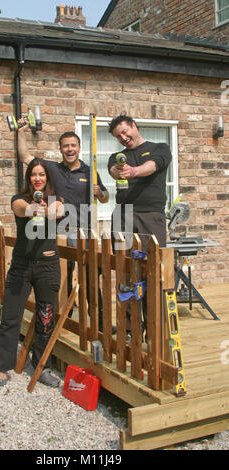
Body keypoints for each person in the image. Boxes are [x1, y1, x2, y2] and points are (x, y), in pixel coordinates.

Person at [0, 158, 64, 393]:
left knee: (46, 320)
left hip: (47, 267)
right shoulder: (19, 200)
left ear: (47, 178)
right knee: (10, 318)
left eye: (42, 175)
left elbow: (59, 213)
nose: (38, 178)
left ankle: (41, 366)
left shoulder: (56, 202)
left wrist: (47, 210)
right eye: (33, 175)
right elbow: (22, 209)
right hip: (21, 267)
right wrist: (33, 209)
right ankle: (0, 371)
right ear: (28, 178)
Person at [17, 121, 112, 332]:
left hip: (84, 231)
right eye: (65, 146)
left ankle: (100, 323)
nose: (69, 149)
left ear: (79, 148)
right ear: (60, 149)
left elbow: (105, 198)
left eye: (73, 145)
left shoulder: (89, 171)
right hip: (59, 231)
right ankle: (63, 320)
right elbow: (25, 157)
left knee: (90, 278)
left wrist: (99, 192)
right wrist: (20, 132)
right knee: (61, 278)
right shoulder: (52, 169)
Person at [108, 115, 172, 340]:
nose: (123, 138)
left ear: (134, 126)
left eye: (125, 132)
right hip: (122, 215)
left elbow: (152, 166)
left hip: (151, 216)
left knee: (151, 271)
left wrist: (133, 171)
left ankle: (153, 329)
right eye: (118, 136)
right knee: (124, 270)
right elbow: (113, 171)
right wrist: (118, 170)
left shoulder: (159, 148)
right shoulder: (117, 157)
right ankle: (128, 329)